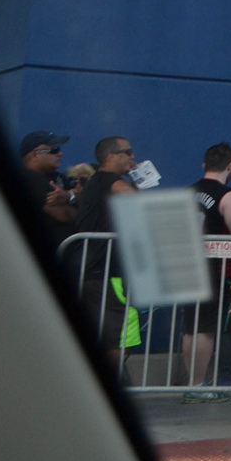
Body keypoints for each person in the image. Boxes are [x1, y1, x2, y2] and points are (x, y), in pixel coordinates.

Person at [184, 143, 231, 403]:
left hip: (189, 266)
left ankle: (192, 382)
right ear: (230, 166)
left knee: (190, 327)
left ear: (204, 165)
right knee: (206, 329)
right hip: (214, 269)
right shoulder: (229, 196)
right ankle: (197, 385)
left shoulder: (187, 192)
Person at [71, 136, 139, 371]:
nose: (133, 157)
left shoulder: (101, 182)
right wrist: (137, 178)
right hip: (102, 271)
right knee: (113, 339)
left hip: (99, 271)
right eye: (128, 152)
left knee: (115, 336)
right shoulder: (108, 180)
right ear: (111, 156)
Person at [17, 131, 76, 238]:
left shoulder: (58, 177)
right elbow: (63, 215)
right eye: (53, 150)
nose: (60, 153)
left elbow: (81, 194)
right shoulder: (29, 179)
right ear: (35, 154)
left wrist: (69, 196)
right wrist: (79, 208)